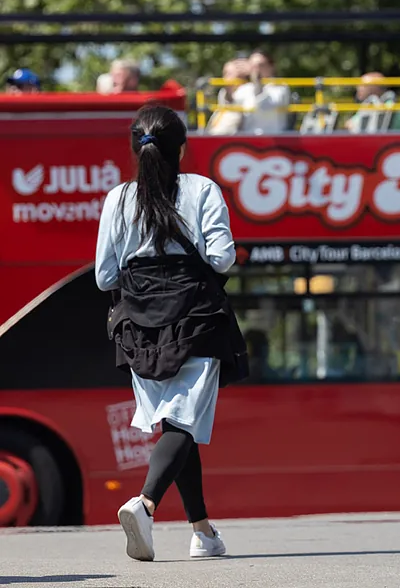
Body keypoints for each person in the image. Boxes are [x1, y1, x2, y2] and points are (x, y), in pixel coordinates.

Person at [96, 105, 245, 561]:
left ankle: (202, 531)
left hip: (139, 325)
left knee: (177, 423)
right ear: (182, 147)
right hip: (195, 318)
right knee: (184, 422)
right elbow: (222, 259)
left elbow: (105, 276)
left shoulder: (117, 198)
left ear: (135, 148)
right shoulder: (202, 190)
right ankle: (144, 503)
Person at [232, 51, 291, 134]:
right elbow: (231, 109)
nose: (256, 70)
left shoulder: (280, 87)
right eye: (252, 66)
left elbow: (266, 106)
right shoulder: (244, 89)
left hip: (274, 139)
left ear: (271, 67)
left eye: (260, 65)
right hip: (247, 140)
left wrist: (258, 84)